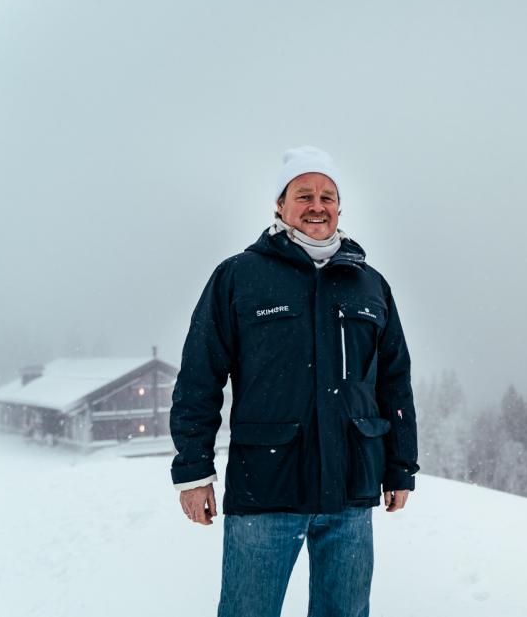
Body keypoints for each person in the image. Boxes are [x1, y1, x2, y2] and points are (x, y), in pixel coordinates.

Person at [169, 145, 420, 617]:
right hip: (266, 485)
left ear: (339, 208)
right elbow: (200, 377)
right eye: (303, 194)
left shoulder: (370, 285)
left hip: (351, 489)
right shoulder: (239, 277)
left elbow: (394, 380)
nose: (317, 205)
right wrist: (193, 471)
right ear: (280, 206)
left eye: (327, 196)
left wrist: (400, 465)